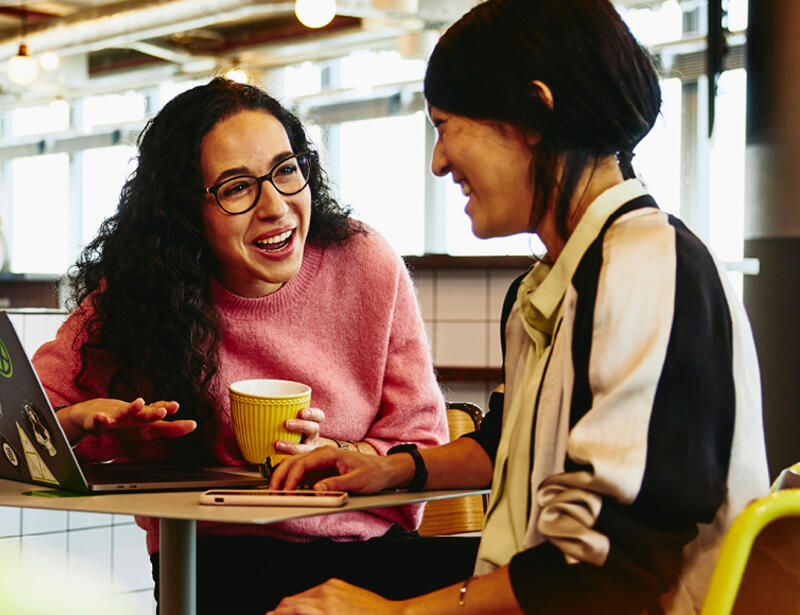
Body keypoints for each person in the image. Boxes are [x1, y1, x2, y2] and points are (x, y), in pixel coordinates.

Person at [266, 1, 771, 613]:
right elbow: (506, 446)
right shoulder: (550, 282)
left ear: (533, 112)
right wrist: (388, 469)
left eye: (446, 124)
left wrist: (398, 613)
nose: (438, 161)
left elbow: (612, 559)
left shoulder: (648, 268)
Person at [31, 77, 459, 613]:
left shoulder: (364, 261)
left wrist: (342, 456)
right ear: (185, 212)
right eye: (236, 187)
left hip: (369, 552)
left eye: (286, 170)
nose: (276, 207)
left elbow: (422, 444)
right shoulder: (142, 292)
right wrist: (79, 422)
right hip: (215, 562)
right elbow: (18, 426)